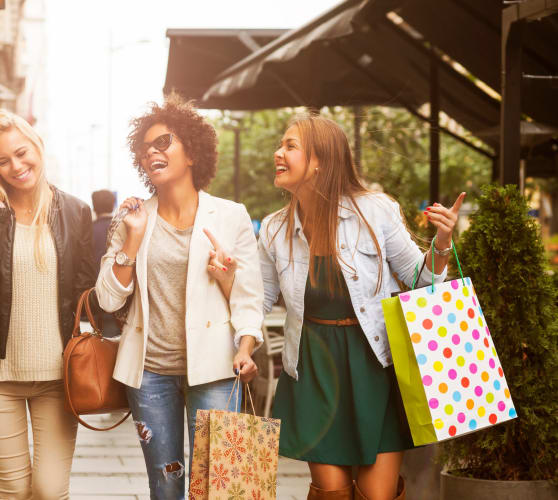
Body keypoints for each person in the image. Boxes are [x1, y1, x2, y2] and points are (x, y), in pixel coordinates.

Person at [258, 113, 465, 500]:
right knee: (331, 490)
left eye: (290, 146)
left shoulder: (376, 210)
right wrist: (234, 313)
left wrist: (441, 242)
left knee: (377, 494)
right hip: (314, 369)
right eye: (280, 145)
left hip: (374, 365)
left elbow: (422, 280)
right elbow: (259, 298)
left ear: (319, 159)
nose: (277, 154)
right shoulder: (274, 228)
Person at [94, 93, 264, 500]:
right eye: (146, 146)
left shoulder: (230, 215)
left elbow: (249, 296)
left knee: (218, 489)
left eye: (164, 142)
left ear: (192, 152)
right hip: (149, 374)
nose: (152, 151)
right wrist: (131, 242)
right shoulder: (132, 218)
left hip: (217, 371)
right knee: (166, 484)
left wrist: (246, 346)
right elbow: (107, 299)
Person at [0, 109, 97, 499]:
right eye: (3, 161)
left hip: (57, 377)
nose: (17, 166)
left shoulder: (75, 211)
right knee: (14, 491)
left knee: (51, 491)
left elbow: (88, 293)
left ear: (37, 145)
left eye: (22, 153)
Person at [91, 189, 121, 337]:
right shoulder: (122, 227)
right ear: (113, 204)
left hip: (96, 293)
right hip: (120, 291)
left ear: (94, 207)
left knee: (100, 341)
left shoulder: (88, 229)